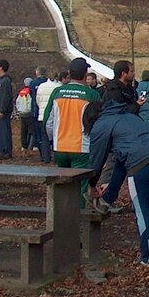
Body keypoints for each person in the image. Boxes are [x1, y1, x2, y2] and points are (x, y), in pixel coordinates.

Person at [88, 100, 149, 266]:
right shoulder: (126, 115)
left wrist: (91, 185)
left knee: (141, 210)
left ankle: (147, 257)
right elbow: (120, 162)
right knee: (123, 161)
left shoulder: (101, 124)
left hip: (140, 160)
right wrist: (110, 188)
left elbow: (96, 161)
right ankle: (107, 199)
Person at [44, 58, 102, 203]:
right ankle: (77, 220)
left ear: (69, 73)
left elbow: (48, 120)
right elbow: (98, 122)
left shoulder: (57, 92)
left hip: (60, 146)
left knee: (63, 185)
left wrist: (53, 139)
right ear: (85, 74)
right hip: (81, 147)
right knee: (80, 188)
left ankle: (61, 219)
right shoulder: (91, 95)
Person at [34, 70, 63, 164]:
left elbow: (37, 100)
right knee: (56, 137)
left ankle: (46, 158)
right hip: (55, 116)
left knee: (44, 137)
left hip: (42, 115)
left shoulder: (41, 86)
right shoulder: (59, 87)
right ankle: (56, 157)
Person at [0, 60, 13, 160]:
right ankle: (2, 150)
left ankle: (6, 151)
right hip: (1, 110)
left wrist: (2, 110)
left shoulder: (5, 81)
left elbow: (5, 97)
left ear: (1, 68)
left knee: (4, 131)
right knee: (1, 131)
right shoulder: (1, 81)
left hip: (3, 111)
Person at [16, 78, 34, 151]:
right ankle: (31, 146)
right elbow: (31, 101)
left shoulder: (21, 91)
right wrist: (30, 109)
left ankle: (24, 146)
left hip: (22, 113)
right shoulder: (30, 91)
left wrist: (19, 109)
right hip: (28, 113)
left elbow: (17, 101)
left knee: (23, 130)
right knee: (32, 130)